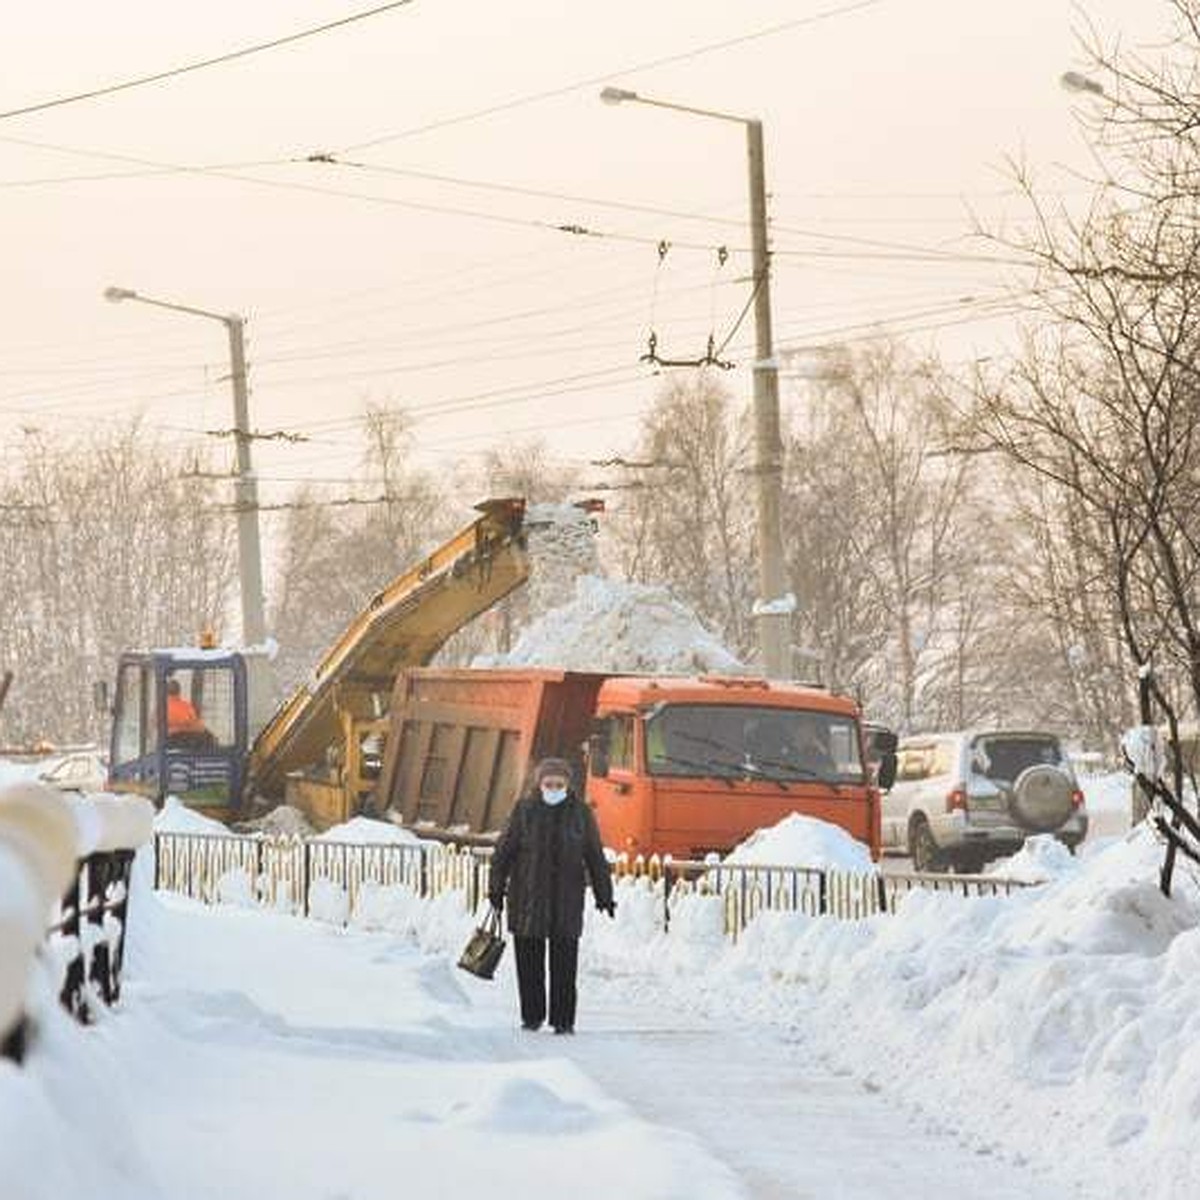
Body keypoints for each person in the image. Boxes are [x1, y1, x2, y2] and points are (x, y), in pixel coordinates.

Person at [488, 756, 615, 1034]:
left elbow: (594, 854)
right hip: (528, 900)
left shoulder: (581, 814)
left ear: (568, 786)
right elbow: (503, 854)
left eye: (559, 784)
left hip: (566, 902)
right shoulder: (524, 812)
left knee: (565, 966)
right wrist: (496, 889)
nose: (554, 788)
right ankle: (532, 1016)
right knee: (529, 964)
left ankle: (564, 1020)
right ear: (539, 784)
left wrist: (604, 894)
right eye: (549, 783)